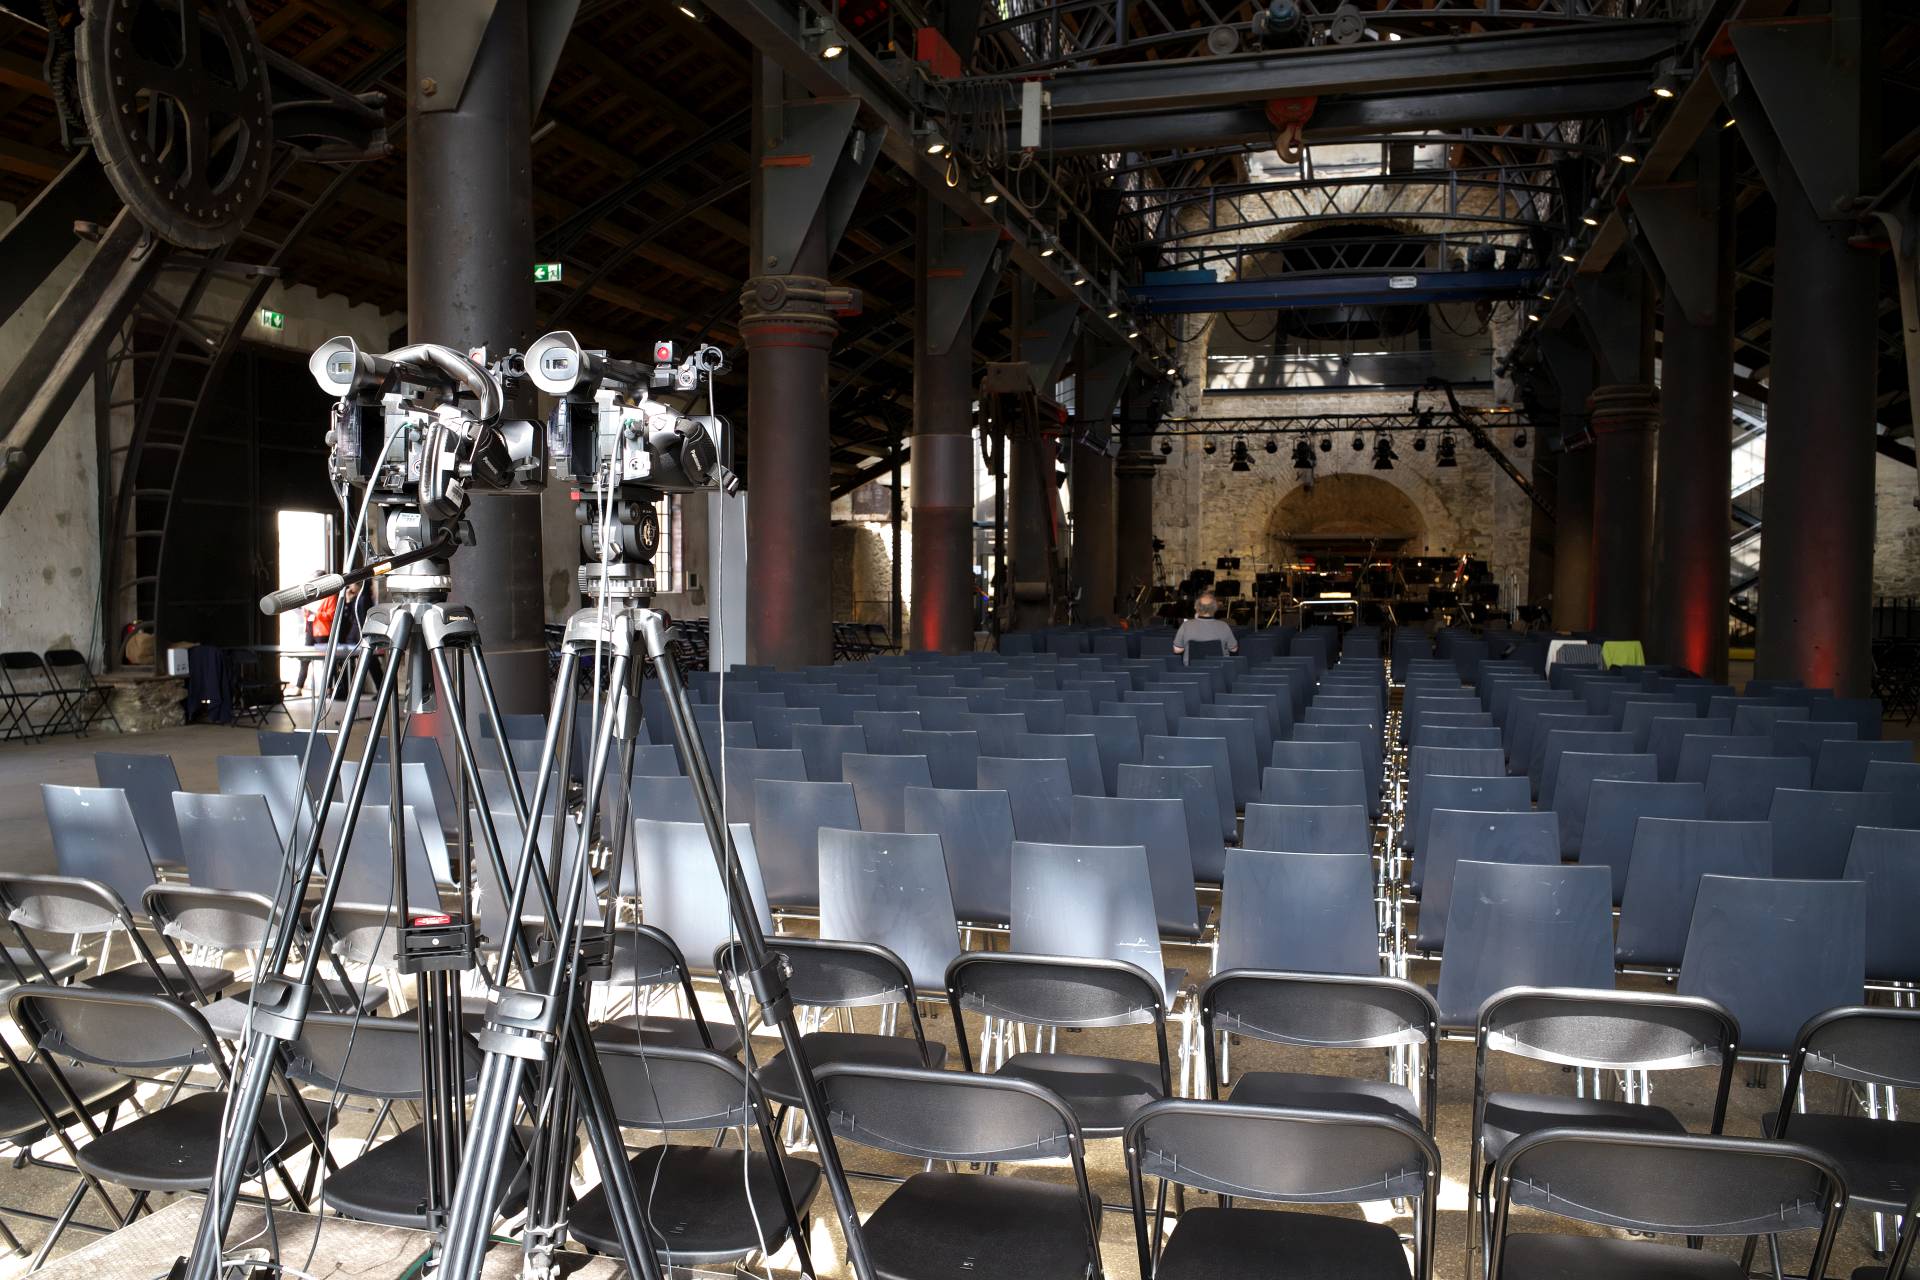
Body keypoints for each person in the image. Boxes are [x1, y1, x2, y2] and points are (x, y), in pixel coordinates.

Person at [1172, 591, 1238, 662]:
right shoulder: (1224, 626)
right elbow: (1234, 649)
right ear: (1215, 608)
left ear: (1196, 608)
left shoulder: (1186, 626)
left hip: (1192, 668)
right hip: (1219, 667)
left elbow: (1177, 650)